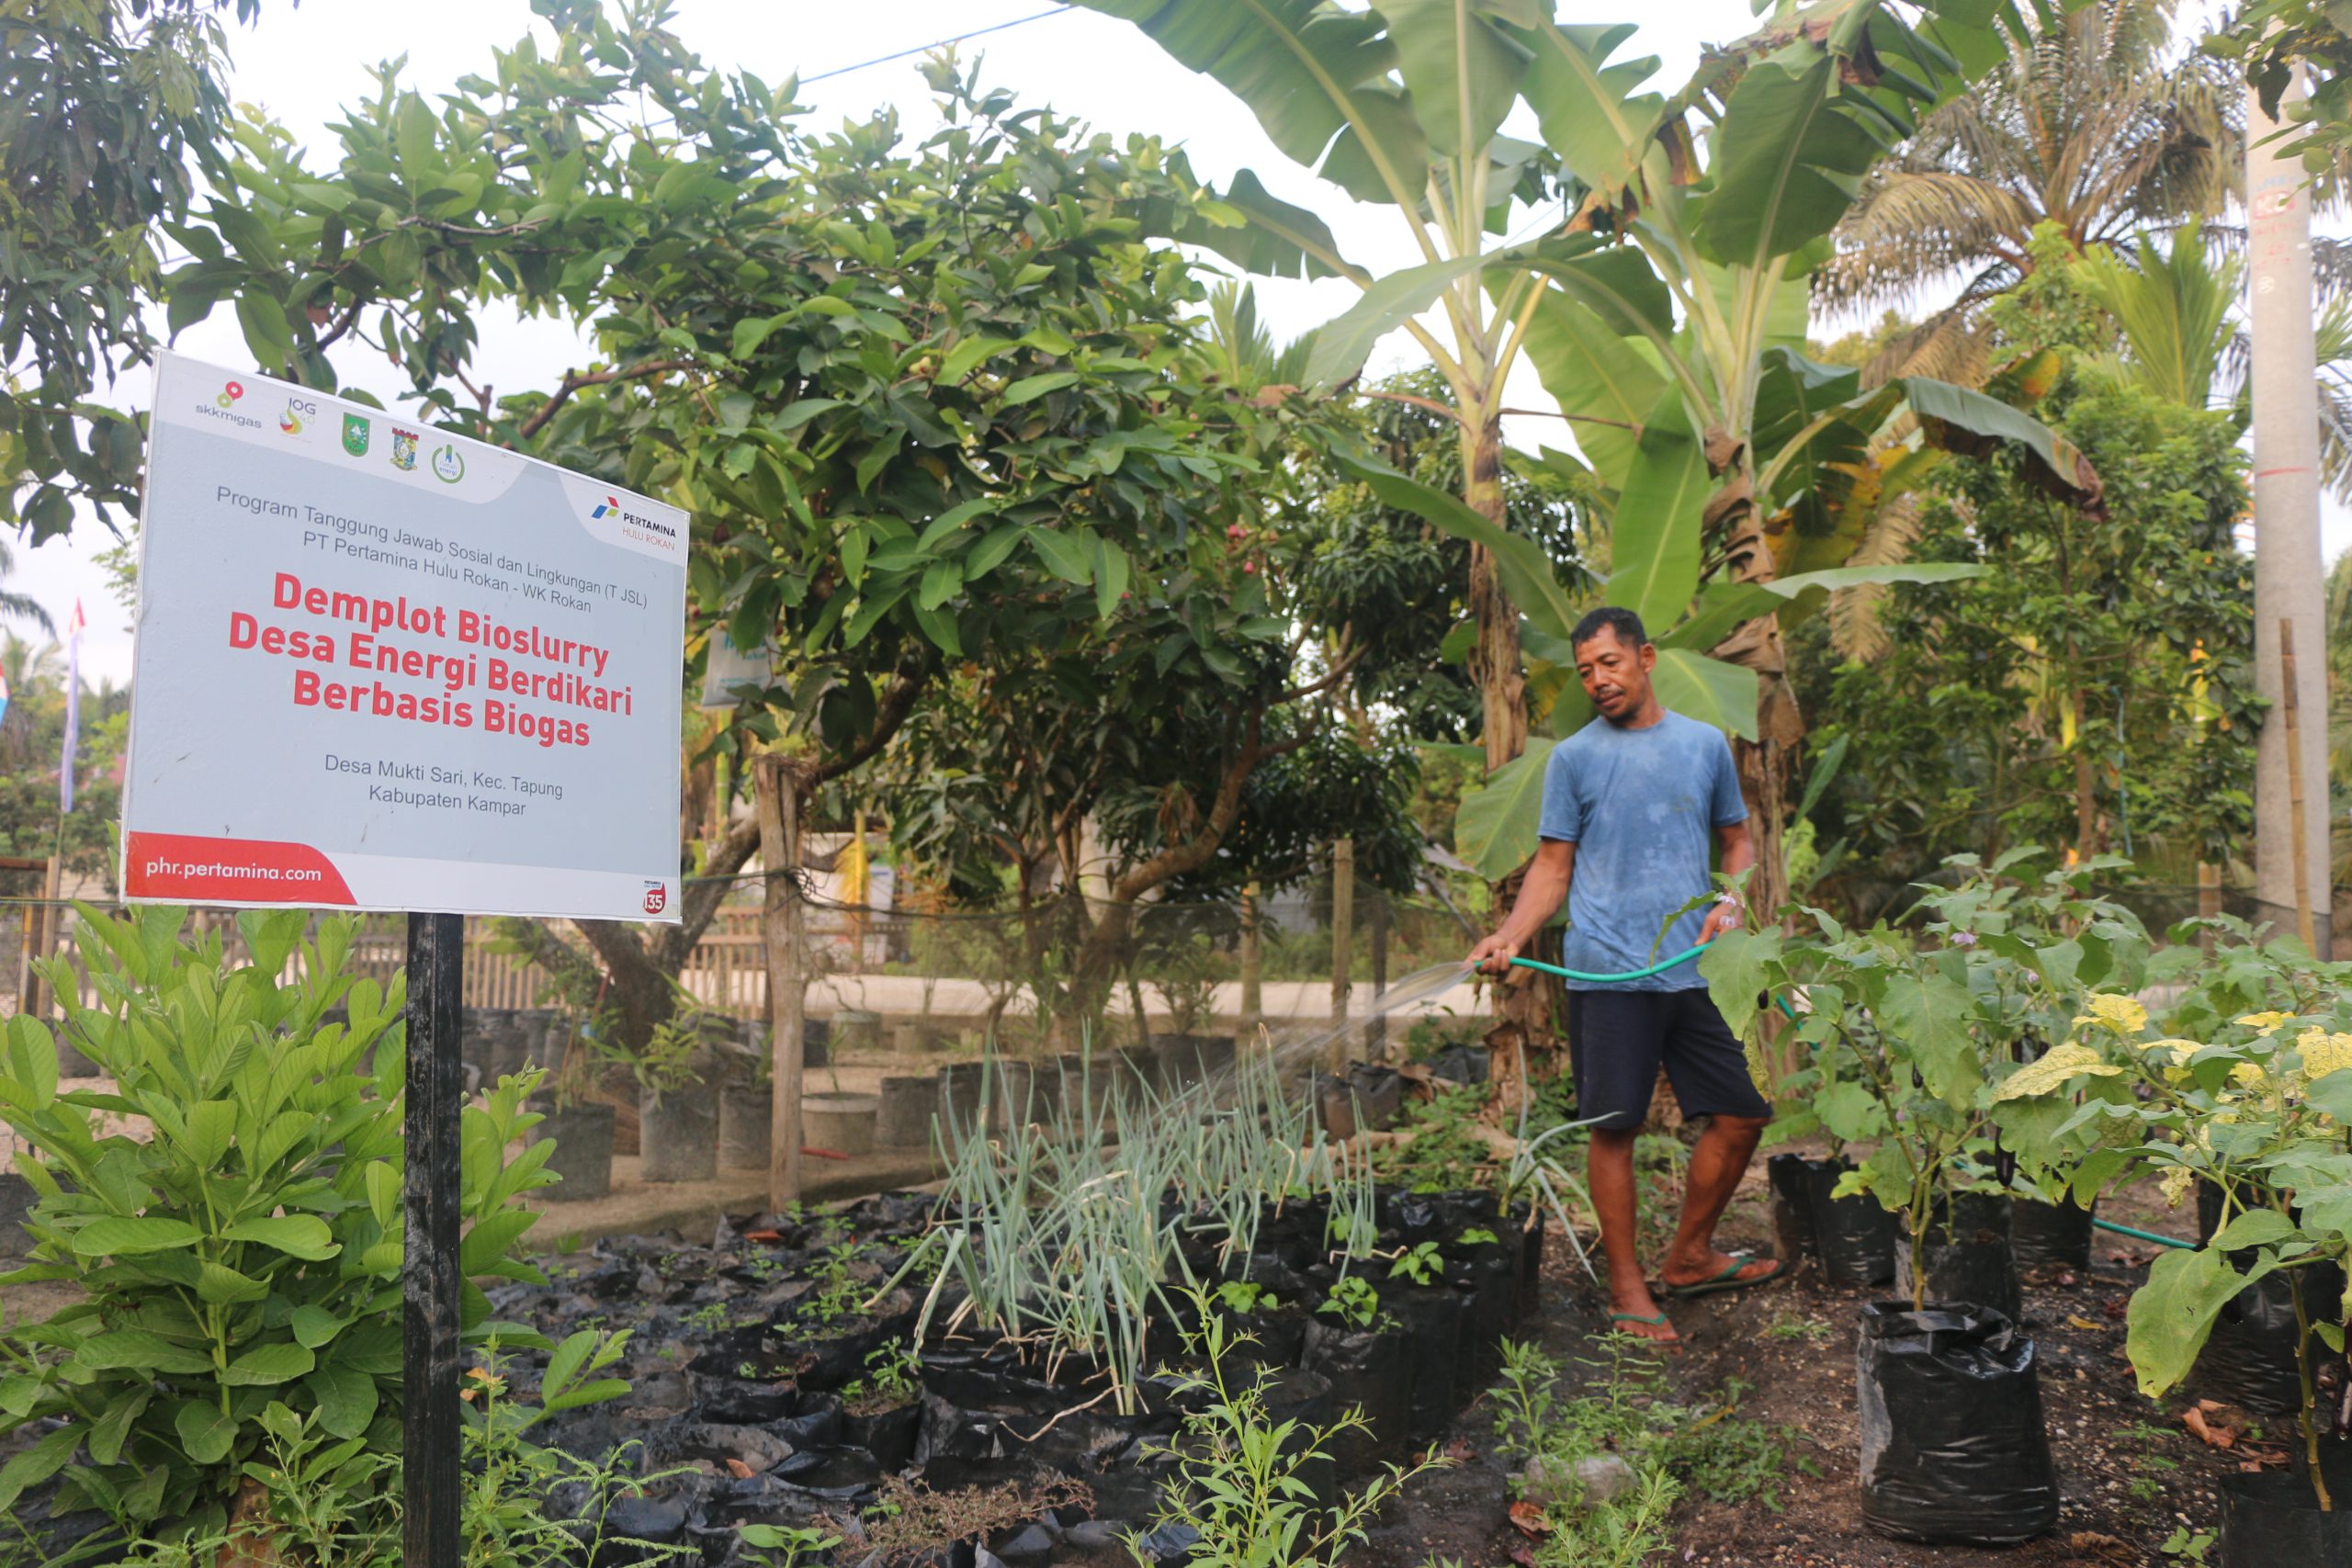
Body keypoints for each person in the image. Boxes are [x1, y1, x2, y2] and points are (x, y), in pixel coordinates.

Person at [1464, 605, 1778, 1343]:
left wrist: (1732, 904)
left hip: (1697, 967)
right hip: (1606, 970)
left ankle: (1692, 1256)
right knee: (1616, 1128)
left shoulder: (1704, 747)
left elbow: (1738, 841)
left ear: (1645, 657)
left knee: (1743, 1115)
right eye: (1585, 671)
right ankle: (1628, 1286)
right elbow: (1552, 865)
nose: (1598, 680)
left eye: (1609, 663)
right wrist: (1509, 935)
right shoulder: (1573, 757)